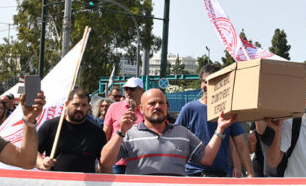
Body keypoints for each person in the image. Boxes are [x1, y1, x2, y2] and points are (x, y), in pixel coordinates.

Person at [100, 88, 236, 176]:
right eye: (152, 103)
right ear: (141, 109)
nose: (157, 106)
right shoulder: (129, 134)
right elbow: (105, 161)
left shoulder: (183, 133)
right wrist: (120, 133)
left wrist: (220, 129)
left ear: (166, 107)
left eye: (161, 103)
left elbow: (206, 158)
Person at [175, 64, 252, 178]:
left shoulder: (228, 112)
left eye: (212, 82)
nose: (207, 85)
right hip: (193, 176)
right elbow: (176, 140)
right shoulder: (189, 109)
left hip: (220, 176)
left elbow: (240, 144)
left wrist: (251, 174)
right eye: (205, 81)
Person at [36, 88, 107, 173]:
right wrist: (42, 163)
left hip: (86, 184)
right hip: (54, 183)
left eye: (84, 105)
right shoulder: (50, 126)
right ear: (66, 104)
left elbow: (105, 162)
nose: (79, 109)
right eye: (76, 104)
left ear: (89, 107)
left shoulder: (97, 132)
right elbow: (34, 152)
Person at [102, 77, 145, 173]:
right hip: (117, 162)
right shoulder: (114, 107)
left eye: (132, 89)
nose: (128, 92)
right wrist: (103, 157)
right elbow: (105, 134)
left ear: (141, 90)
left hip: (140, 162)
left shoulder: (147, 110)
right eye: (126, 89)